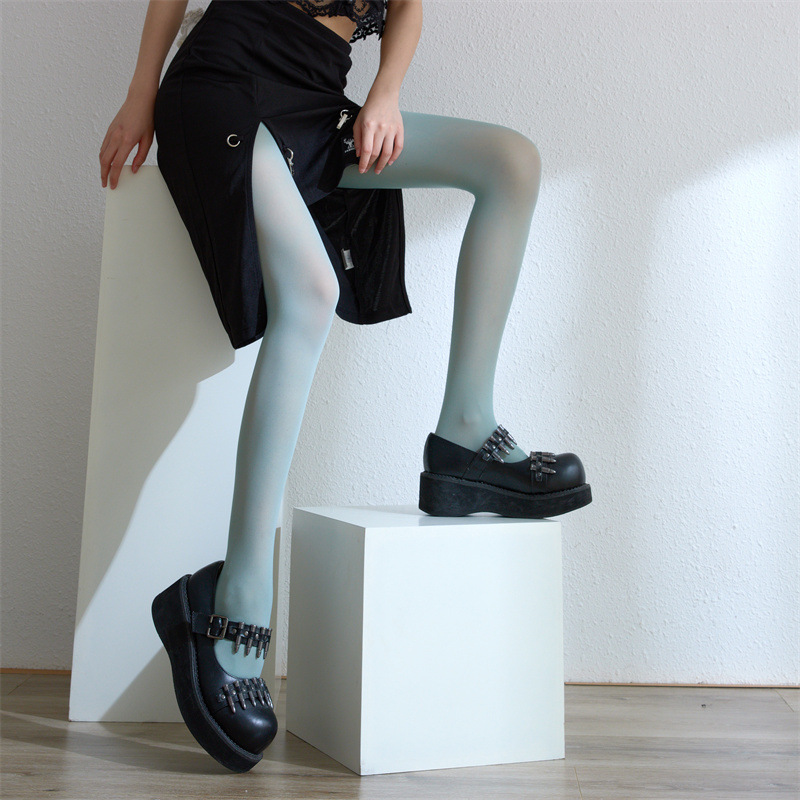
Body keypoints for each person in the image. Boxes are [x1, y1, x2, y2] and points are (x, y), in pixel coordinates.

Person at [99, 0, 591, 773]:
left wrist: (386, 93)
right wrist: (141, 94)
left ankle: (465, 430)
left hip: (317, 102)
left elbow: (406, 10)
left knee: (511, 162)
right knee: (311, 293)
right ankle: (236, 602)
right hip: (226, 82)